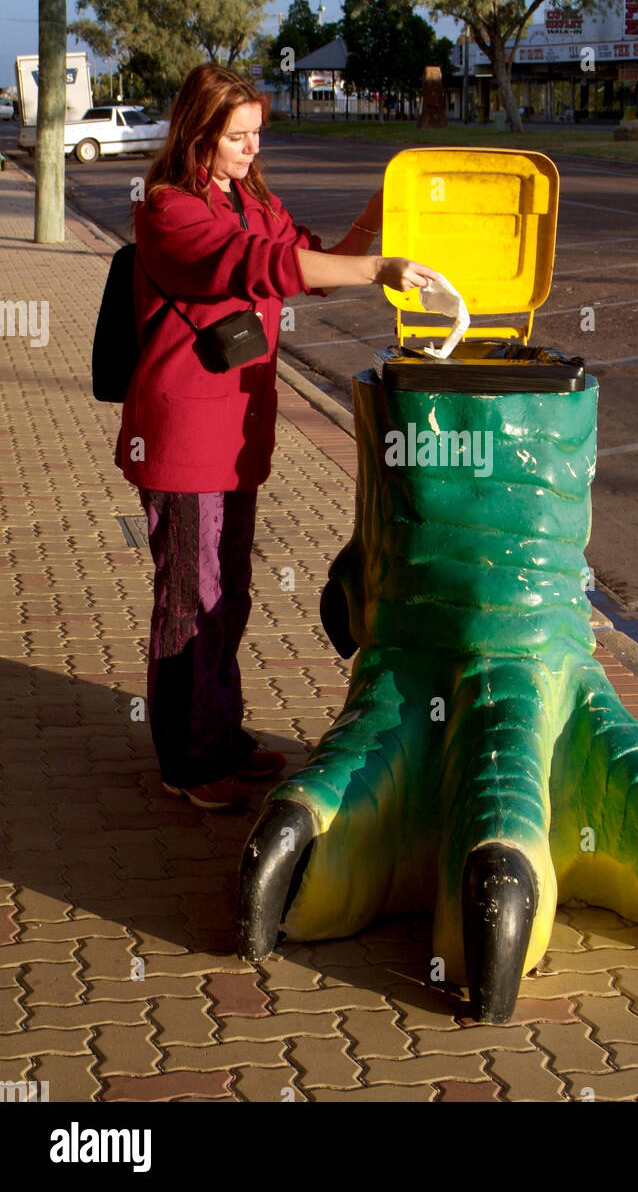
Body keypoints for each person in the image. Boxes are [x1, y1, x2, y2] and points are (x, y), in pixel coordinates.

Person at [115, 63, 436, 810]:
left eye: (258, 134)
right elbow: (260, 266)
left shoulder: (248, 196)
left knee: (229, 593)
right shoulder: (167, 209)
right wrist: (375, 267)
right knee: (190, 599)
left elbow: (307, 263)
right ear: (198, 134)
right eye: (236, 137)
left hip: (235, 435)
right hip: (184, 433)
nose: (251, 149)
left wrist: (374, 222)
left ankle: (220, 734)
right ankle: (189, 764)